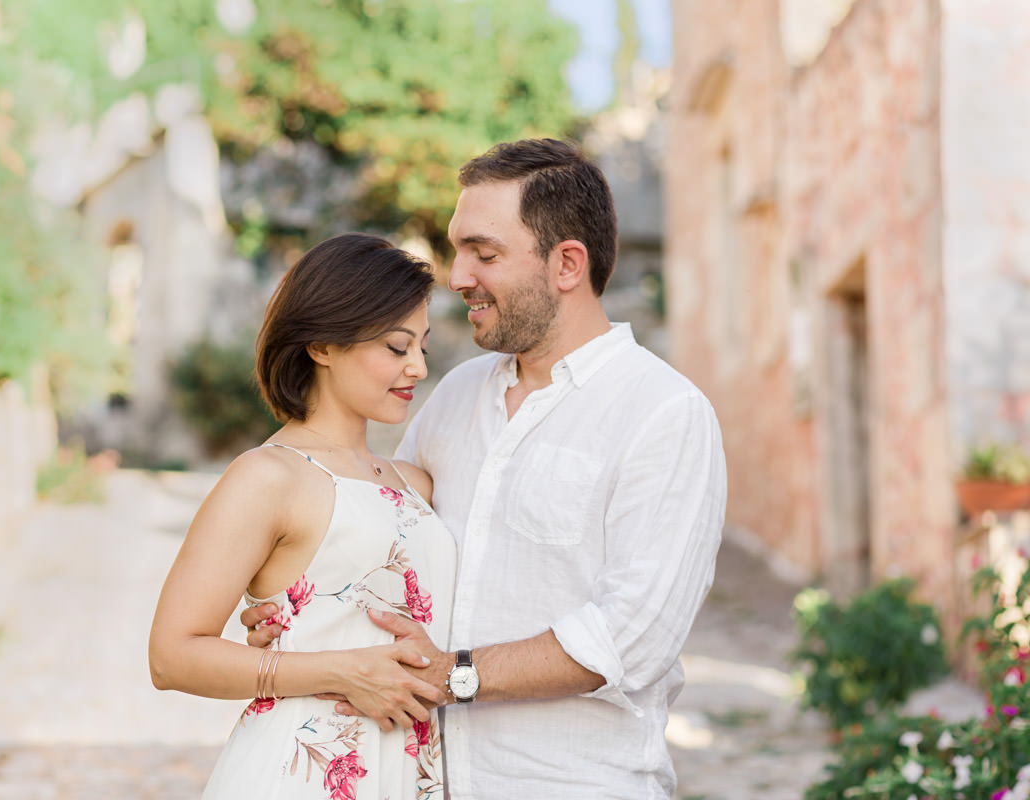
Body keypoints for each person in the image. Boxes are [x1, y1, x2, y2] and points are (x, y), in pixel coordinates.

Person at [246, 139, 727, 799]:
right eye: (458, 249)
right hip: (423, 781)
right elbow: (390, 544)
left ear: (566, 264)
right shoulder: (455, 395)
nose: (457, 276)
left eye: (485, 253)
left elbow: (631, 636)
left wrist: (452, 677)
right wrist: (304, 609)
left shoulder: (664, 413)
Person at [148, 233, 457, 799]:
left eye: (422, 348)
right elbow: (172, 656)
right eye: (396, 346)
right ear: (321, 345)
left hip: (408, 774)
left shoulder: (415, 484)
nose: (416, 366)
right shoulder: (267, 477)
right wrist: (338, 670)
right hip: (300, 773)